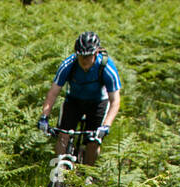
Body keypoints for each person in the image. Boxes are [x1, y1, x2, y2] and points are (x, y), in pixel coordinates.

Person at [37, 31, 122, 167]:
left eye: (88, 56)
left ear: (96, 53)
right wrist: (44, 117)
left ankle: (88, 175)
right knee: (63, 136)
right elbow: (53, 93)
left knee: (93, 142)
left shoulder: (106, 67)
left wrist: (106, 125)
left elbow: (115, 100)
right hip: (74, 101)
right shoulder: (68, 65)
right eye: (80, 56)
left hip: (98, 103)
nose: (84, 60)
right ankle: (58, 174)